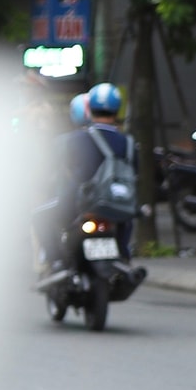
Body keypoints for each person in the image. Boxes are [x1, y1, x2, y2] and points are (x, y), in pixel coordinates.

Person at [40, 81, 138, 268]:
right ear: (118, 110)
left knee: (40, 216)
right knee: (129, 215)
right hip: (117, 205)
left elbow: (60, 168)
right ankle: (124, 256)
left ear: (90, 109)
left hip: (79, 204)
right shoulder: (129, 142)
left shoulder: (74, 139)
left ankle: (55, 262)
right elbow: (135, 174)